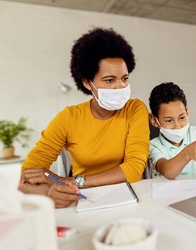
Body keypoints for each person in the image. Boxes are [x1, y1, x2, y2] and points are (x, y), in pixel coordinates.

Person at [19, 27, 149, 208]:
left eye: (125, 78)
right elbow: (25, 176)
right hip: (82, 199)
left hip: (129, 196)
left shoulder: (135, 109)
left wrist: (68, 181)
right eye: (110, 80)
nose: (120, 86)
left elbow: (134, 169)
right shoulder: (68, 118)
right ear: (88, 83)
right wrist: (50, 191)